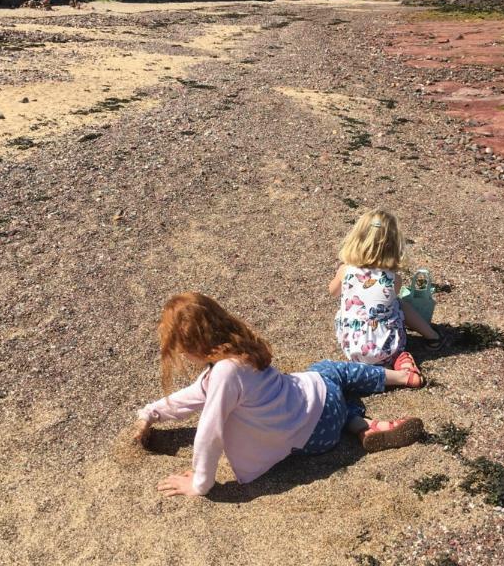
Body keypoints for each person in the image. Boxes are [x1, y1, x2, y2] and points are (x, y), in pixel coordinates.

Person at [134, 292, 424, 498]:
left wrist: (200, 483)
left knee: (329, 385)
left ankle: (361, 424)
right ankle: (401, 377)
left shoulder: (224, 373)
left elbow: (208, 430)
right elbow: (201, 402)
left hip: (315, 440)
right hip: (321, 409)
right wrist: (152, 412)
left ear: (192, 345)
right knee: (332, 370)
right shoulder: (241, 353)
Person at [329, 209, 444, 385]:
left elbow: (333, 291)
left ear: (356, 239)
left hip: (353, 349)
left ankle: (377, 365)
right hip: (387, 347)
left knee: (348, 309)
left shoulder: (346, 271)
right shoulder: (393, 279)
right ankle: (426, 339)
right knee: (398, 304)